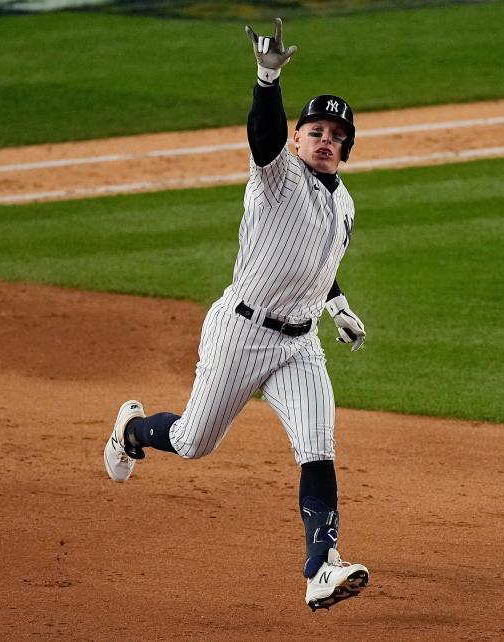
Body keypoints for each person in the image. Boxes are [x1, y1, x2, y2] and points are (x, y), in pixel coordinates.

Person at [102, 18, 369, 611]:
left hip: (299, 345)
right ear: (296, 139)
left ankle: (321, 568)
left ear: (345, 148)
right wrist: (266, 80)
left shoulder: (344, 200)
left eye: (336, 134)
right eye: (315, 130)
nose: (324, 139)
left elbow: (316, 259)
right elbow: (262, 130)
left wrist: (337, 303)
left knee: (318, 447)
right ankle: (131, 431)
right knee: (194, 441)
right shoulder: (275, 174)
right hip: (241, 332)